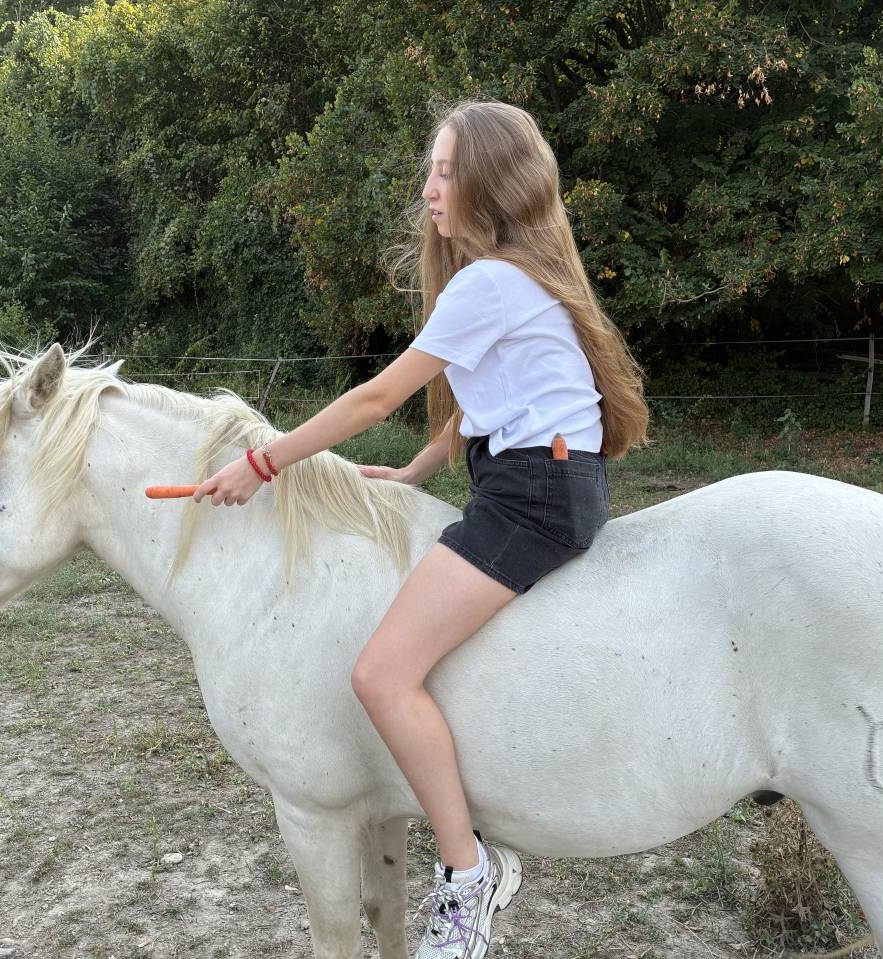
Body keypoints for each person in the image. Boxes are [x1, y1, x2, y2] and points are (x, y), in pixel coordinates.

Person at [191, 98, 649, 959]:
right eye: (430, 170)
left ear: (491, 181)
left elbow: (376, 397)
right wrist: (414, 473)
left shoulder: (491, 279)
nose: (430, 188)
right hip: (539, 481)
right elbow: (484, 404)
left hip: (533, 496)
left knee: (381, 672)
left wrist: (263, 463)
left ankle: (469, 875)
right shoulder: (516, 274)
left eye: (446, 171)